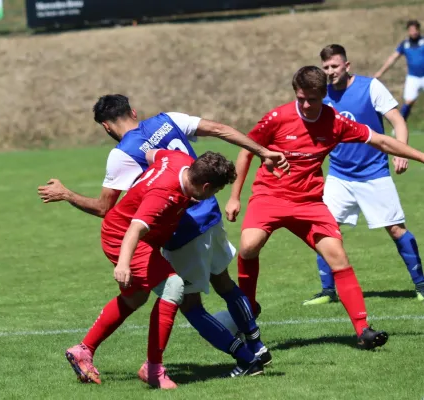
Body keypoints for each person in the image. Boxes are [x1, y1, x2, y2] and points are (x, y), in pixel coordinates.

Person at [38, 95, 290, 387]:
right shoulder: (168, 121)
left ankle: (243, 358)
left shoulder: (124, 156)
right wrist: (262, 151)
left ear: (106, 127)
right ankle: (253, 350)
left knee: (182, 302)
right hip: (206, 218)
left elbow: (107, 209)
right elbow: (218, 130)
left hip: (180, 231)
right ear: (133, 111)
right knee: (214, 284)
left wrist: (68, 194)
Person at [225, 66, 424, 350]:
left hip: (309, 203)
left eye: (313, 99)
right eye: (301, 98)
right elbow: (246, 150)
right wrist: (235, 197)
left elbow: (380, 140)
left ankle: (363, 329)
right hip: (270, 196)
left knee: (338, 257)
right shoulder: (278, 117)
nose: (306, 105)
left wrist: (421, 156)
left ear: (324, 95)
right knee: (248, 246)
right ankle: (248, 315)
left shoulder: (335, 122)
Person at [81, 149, 236, 389]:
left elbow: (152, 154)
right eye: (216, 190)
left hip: (136, 236)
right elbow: (134, 230)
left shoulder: (179, 160)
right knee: (173, 286)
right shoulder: (163, 195)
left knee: (135, 297)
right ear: (205, 186)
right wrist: (123, 264)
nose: (215, 194)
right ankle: (153, 368)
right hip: (123, 238)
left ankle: (83, 350)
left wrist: (144, 185)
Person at [302, 44, 424, 306]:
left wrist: (401, 151)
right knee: (325, 229)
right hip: (339, 175)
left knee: (395, 228)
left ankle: (421, 285)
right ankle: (327, 291)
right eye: (326, 68)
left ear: (347, 66)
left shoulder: (371, 87)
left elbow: (397, 121)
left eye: (334, 66)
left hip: (374, 173)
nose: (330, 71)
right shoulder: (320, 96)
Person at [374, 20, 424, 121]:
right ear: (408, 31)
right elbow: (393, 58)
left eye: (415, 30)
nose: (413, 32)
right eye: (411, 30)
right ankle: (399, 124)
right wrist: (381, 72)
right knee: (409, 101)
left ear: (419, 30)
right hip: (413, 77)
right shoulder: (404, 44)